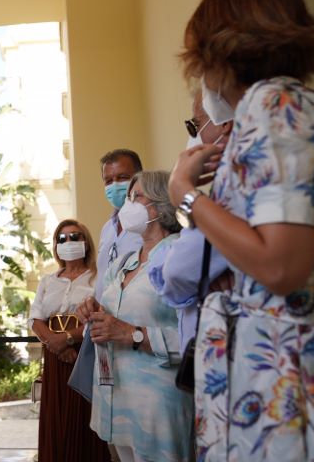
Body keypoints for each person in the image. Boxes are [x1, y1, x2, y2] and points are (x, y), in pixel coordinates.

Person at [169, 0, 314, 459]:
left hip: (290, 385)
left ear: (217, 50)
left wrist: (186, 195)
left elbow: (280, 266)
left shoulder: (275, 107)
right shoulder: (300, 107)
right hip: (290, 374)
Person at [77, 171, 193, 462]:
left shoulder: (180, 257)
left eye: (136, 196)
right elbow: (113, 313)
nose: (127, 205)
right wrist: (93, 310)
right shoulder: (125, 263)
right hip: (116, 401)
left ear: (161, 205)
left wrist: (132, 334)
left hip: (157, 408)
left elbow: (198, 340)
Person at [147, 91, 232, 351]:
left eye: (195, 124)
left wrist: (183, 189)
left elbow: (174, 273)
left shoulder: (235, 186)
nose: (193, 136)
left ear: (224, 122)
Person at [29, 219, 111, 462]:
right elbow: (35, 319)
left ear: (86, 242)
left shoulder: (98, 278)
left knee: (83, 417)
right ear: (56, 245)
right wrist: (56, 345)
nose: (68, 242)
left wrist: (66, 339)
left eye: (75, 237)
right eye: (62, 238)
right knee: (56, 415)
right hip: (55, 355)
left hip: (85, 352)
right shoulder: (48, 280)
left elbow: (101, 315)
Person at [96, 149, 144, 299]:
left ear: (139, 178)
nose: (115, 185)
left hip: (135, 312)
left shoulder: (151, 223)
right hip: (102, 311)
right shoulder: (107, 229)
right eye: (108, 181)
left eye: (122, 177)